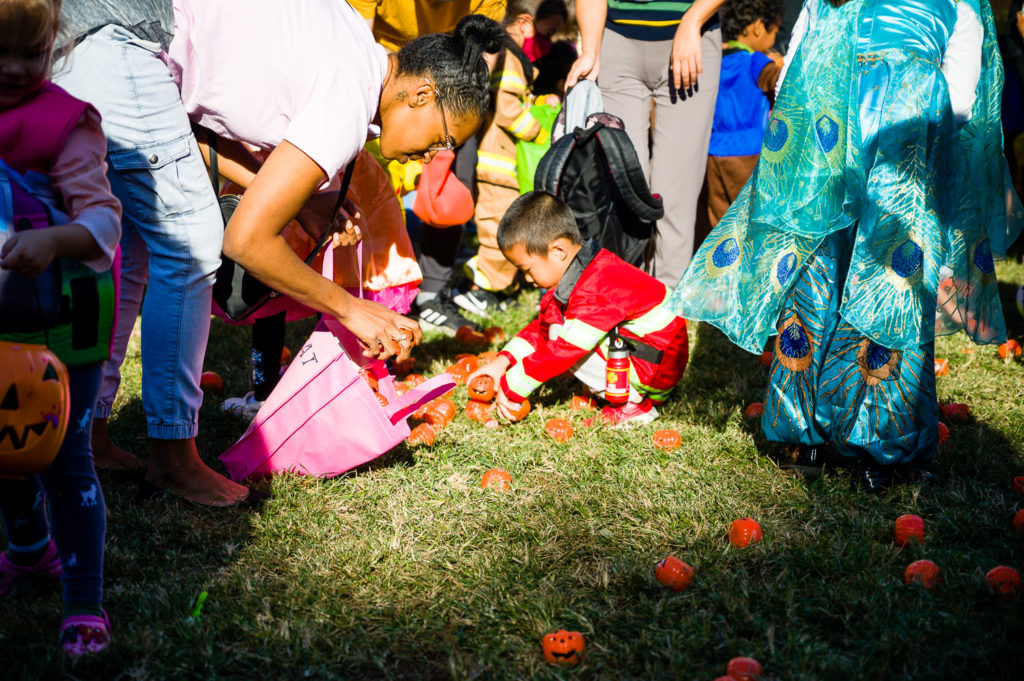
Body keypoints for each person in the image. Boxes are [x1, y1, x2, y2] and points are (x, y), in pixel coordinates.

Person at [55, 0, 506, 505]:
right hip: (126, 39)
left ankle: (88, 433)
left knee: (139, 248)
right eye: (442, 141)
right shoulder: (350, 96)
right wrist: (349, 307)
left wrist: (301, 207)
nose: (433, 158)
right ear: (423, 94)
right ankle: (173, 457)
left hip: (106, 32)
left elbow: (208, 116)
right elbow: (245, 239)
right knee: (190, 247)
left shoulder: (356, 45)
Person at [669, 0, 1022, 491]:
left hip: (861, 144)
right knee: (859, 283)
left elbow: (798, 68)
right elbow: (960, 100)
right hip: (871, 145)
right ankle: (854, 439)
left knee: (850, 280)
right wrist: (906, 83)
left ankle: (839, 436)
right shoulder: (954, 4)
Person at [0, 0, 121, 654]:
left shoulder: (64, 125)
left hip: (59, 328)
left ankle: (83, 601)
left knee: (60, 459)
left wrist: (54, 240)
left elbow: (104, 221)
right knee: (3, 454)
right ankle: (27, 551)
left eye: (33, 51)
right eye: (0, 53)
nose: (17, 68)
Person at [351, 0, 508, 333]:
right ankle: (362, 292)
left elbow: (484, 62)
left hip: (452, 86)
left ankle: (432, 294)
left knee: (452, 191)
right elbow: (357, 46)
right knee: (368, 195)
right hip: (392, 81)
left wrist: (451, 122)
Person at [468, 192, 689, 426]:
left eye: (527, 269)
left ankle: (634, 407)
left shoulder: (596, 287)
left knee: (567, 340)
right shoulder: (583, 270)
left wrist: (512, 385)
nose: (527, 279)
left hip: (655, 372)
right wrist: (502, 362)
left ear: (558, 251)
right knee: (559, 329)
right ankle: (620, 390)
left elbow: (565, 348)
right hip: (647, 356)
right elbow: (544, 326)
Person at [565, 0, 726, 287]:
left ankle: (664, 309)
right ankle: (622, 299)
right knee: (623, 186)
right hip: (615, 38)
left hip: (692, 37)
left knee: (675, 197)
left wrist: (694, 18)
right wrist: (590, 49)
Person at [459, 0, 565, 313]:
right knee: (495, 228)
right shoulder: (510, 59)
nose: (548, 41)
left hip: (504, 165)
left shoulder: (513, 60)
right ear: (524, 23)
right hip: (497, 163)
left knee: (504, 224)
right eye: (548, 31)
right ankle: (482, 289)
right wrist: (540, 131)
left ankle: (499, 285)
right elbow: (507, 109)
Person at [703, 0, 784, 228]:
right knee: (751, 222)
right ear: (758, 27)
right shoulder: (754, 61)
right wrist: (778, 63)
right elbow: (776, 80)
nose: (774, 39)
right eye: (775, 31)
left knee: (720, 225)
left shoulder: (713, 57)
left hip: (713, 151)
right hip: (750, 153)